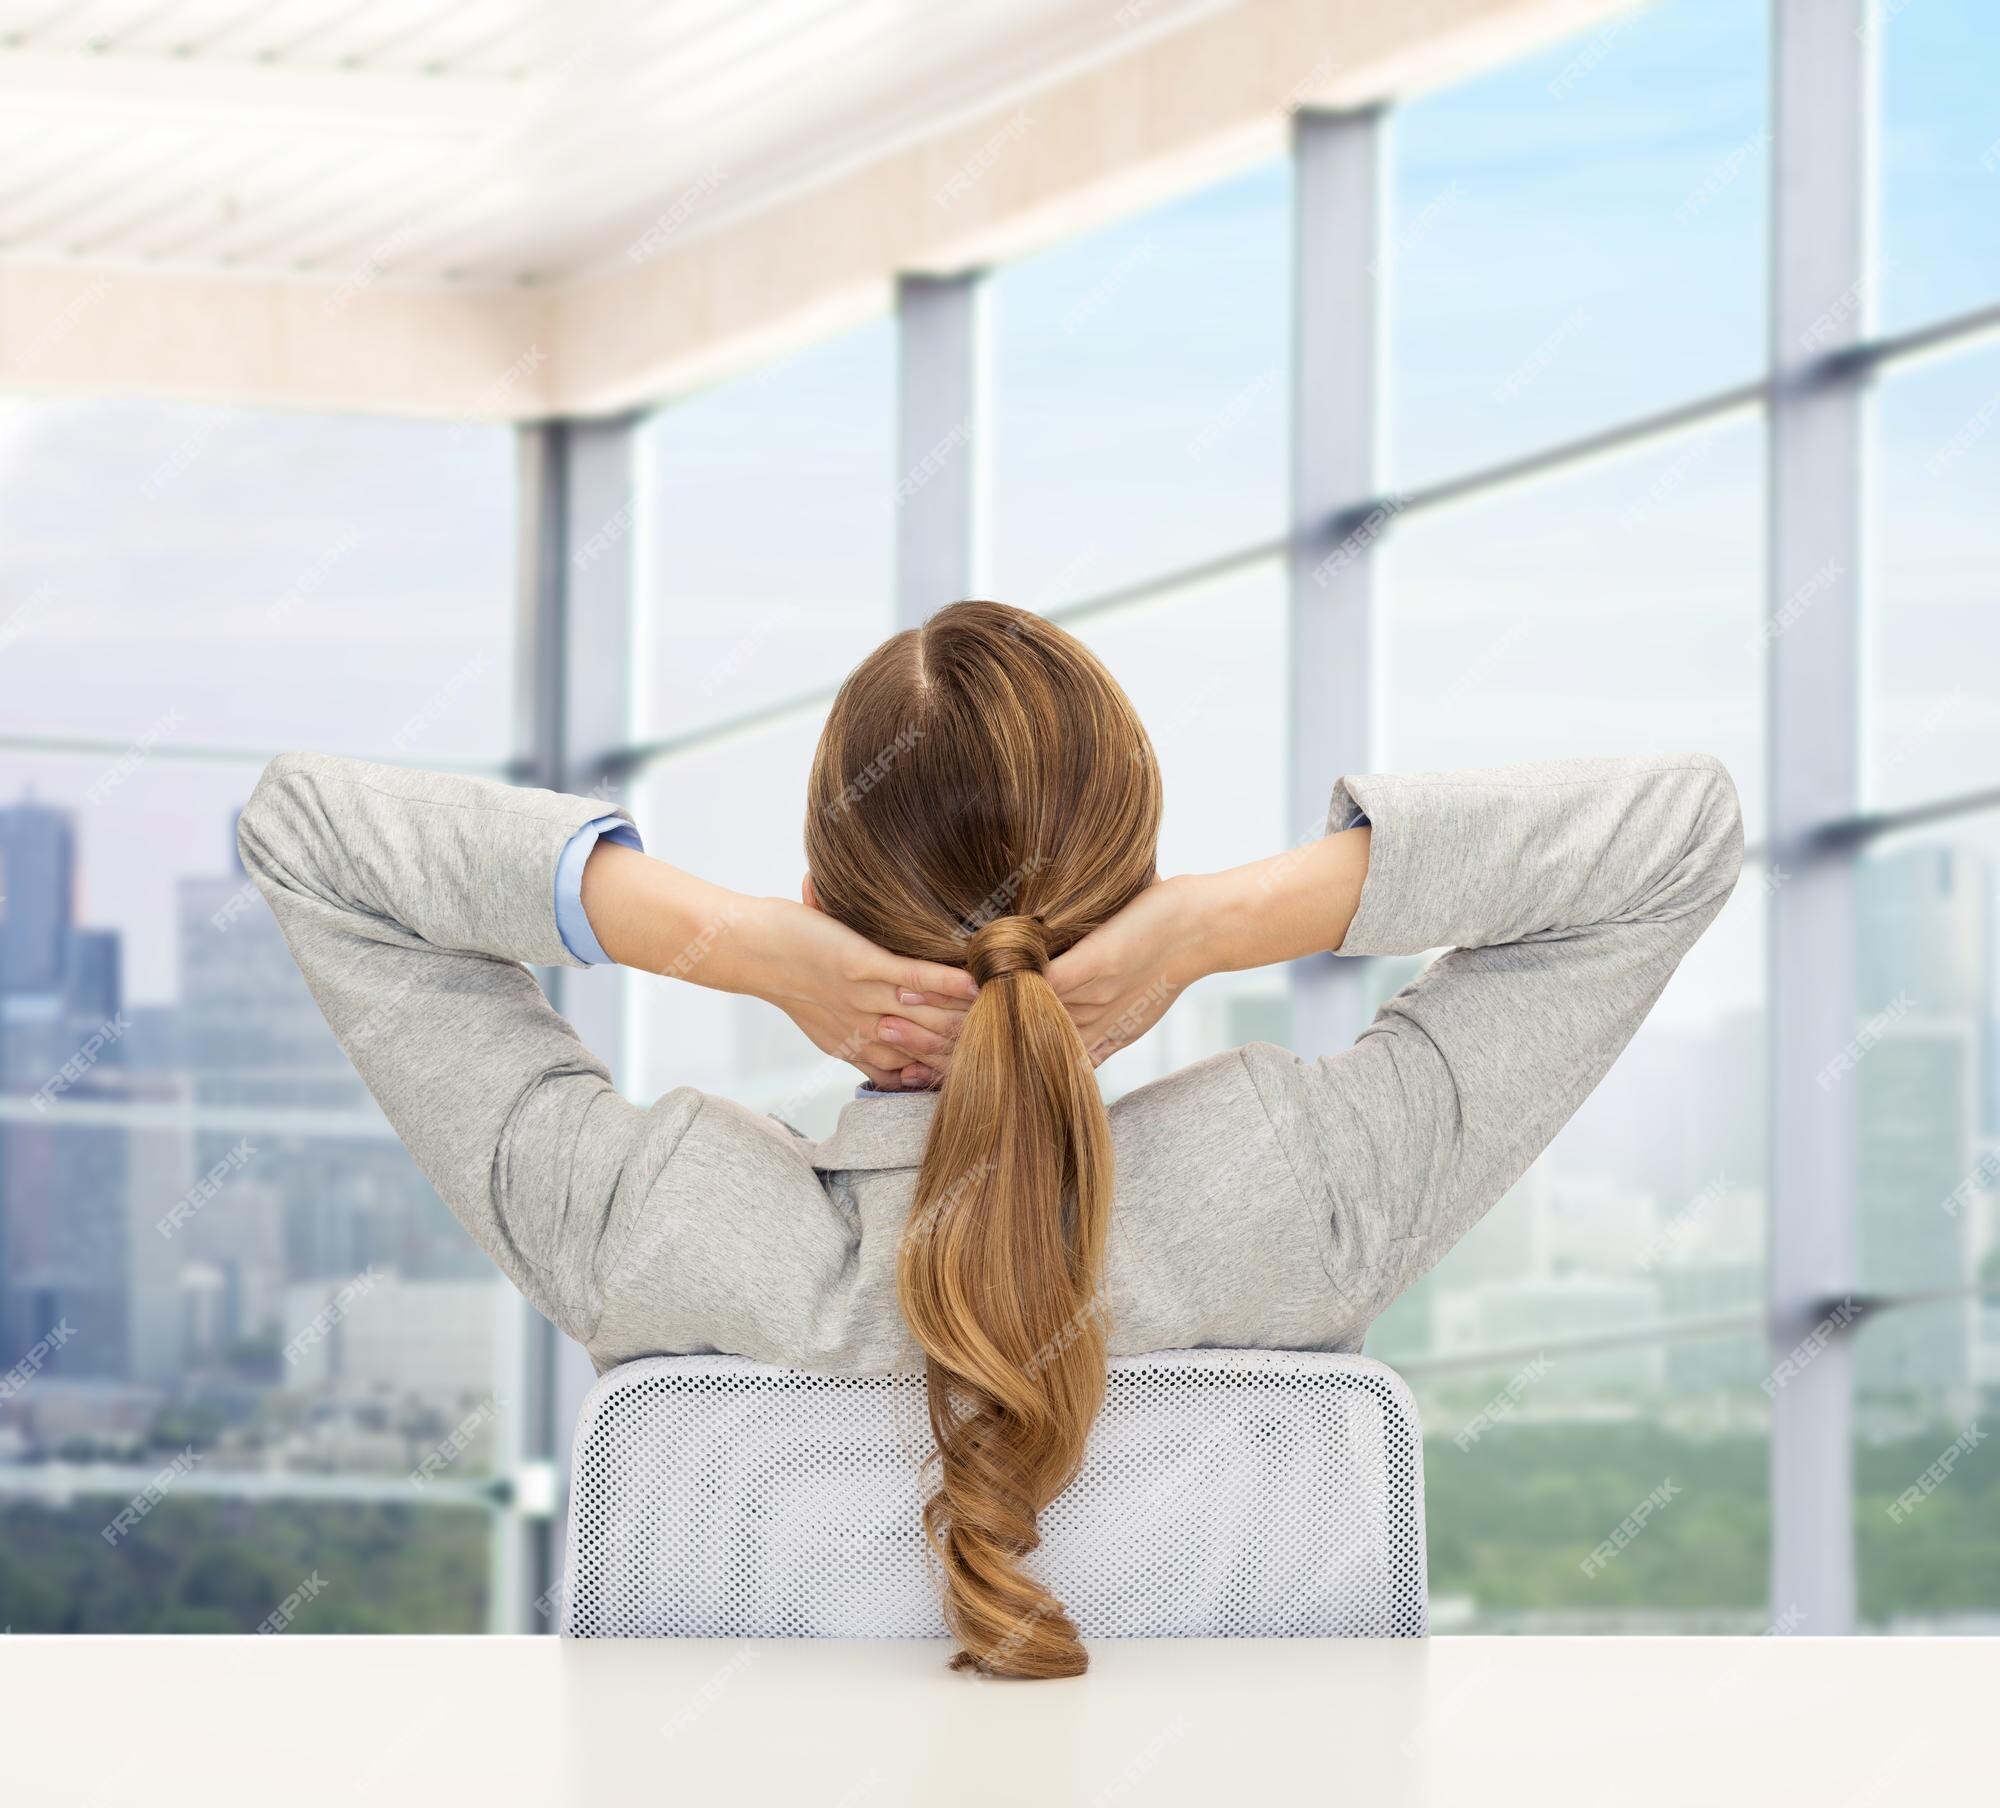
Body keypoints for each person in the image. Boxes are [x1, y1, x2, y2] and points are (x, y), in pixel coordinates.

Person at [237, 599, 1743, 1678]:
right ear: (1131, 895)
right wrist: (1219, 924)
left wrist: (719, 939)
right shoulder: (1298, 1187)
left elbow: (306, 835)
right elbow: (1674, 835)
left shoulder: (655, 1221)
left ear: (818, 899)